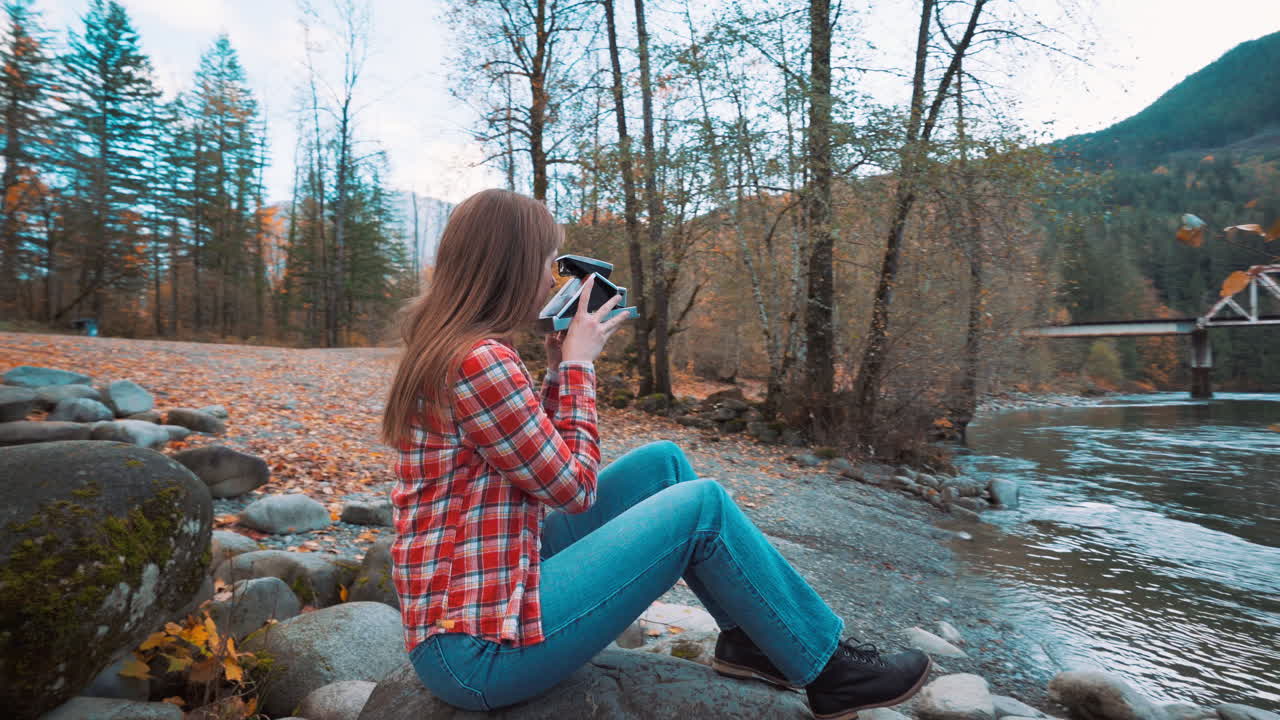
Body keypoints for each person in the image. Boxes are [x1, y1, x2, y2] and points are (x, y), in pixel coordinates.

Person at [379, 188, 931, 719]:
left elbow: (530, 459)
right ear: (512, 265)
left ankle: (753, 639)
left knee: (663, 465)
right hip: (479, 650)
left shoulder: (455, 348)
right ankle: (832, 673)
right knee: (702, 508)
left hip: (490, 592)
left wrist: (554, 369)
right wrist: (579, 367)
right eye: (549, 263)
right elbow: (572, 489)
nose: (552, 280)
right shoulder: (482, 362)